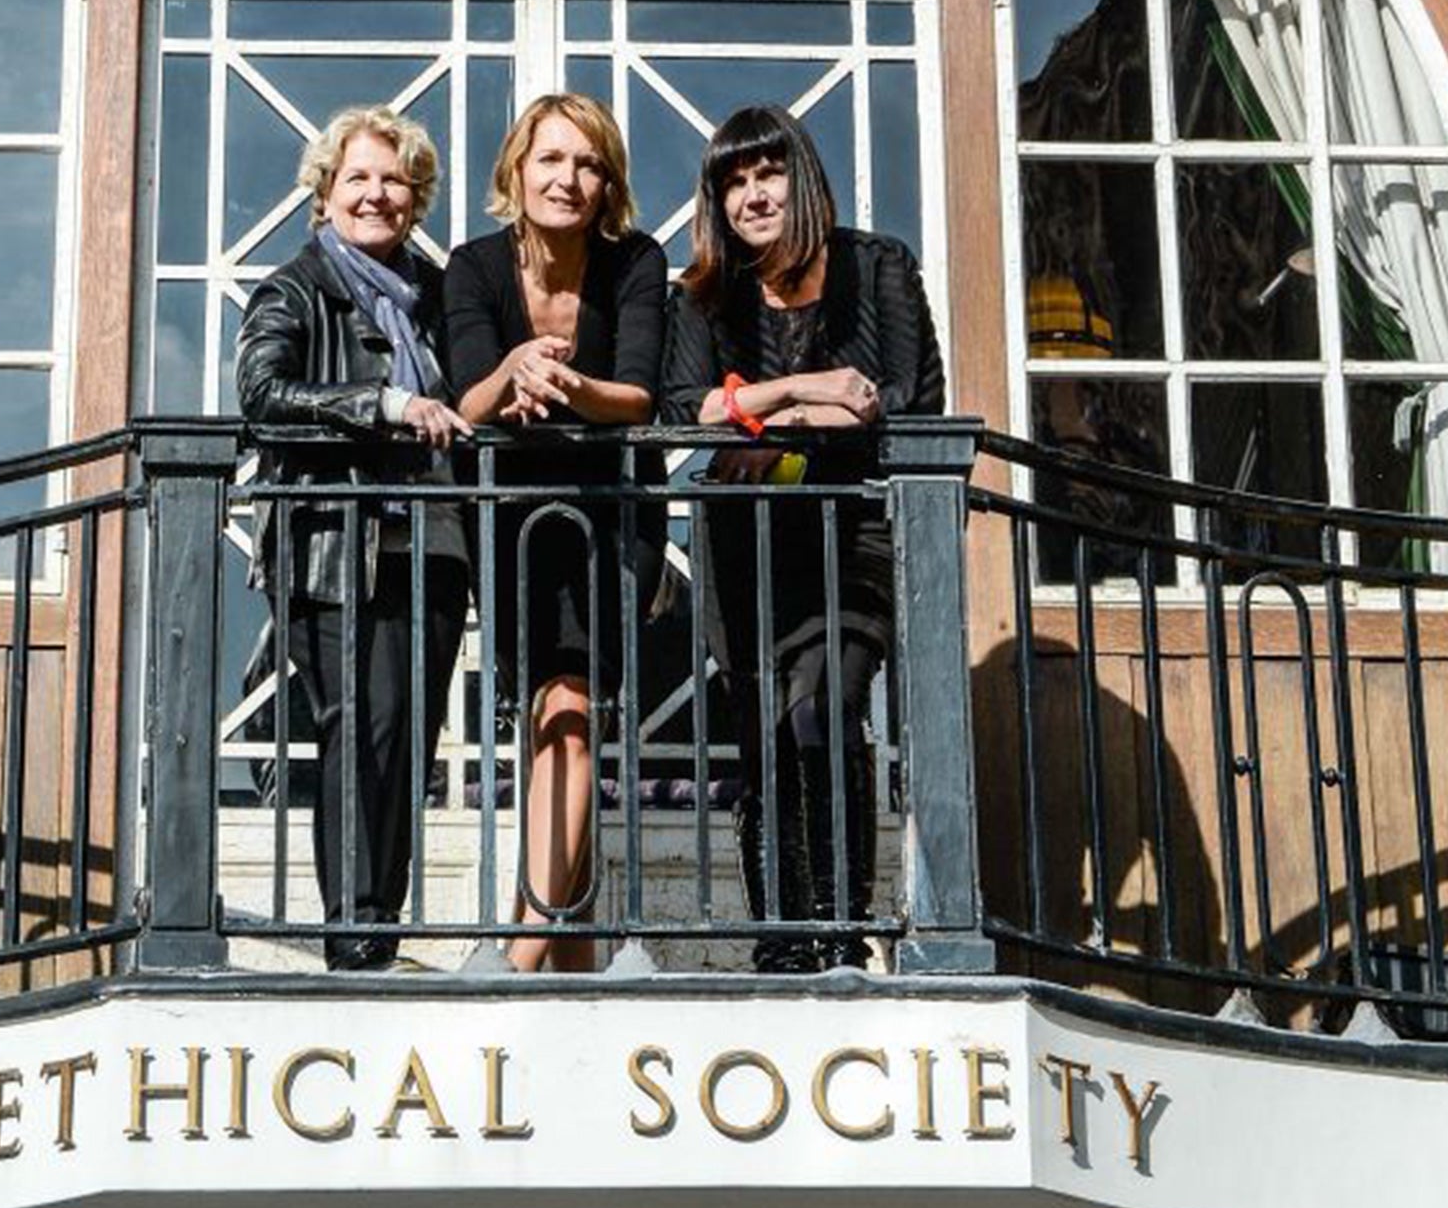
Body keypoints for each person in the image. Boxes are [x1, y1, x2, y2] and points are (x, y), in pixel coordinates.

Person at [659, 104, 945, 972]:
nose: (753, 195)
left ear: (803, 177)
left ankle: (839, 927)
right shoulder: (706, 295)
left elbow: (910, 399)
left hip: (849, 532)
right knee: (763, 734)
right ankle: (780, 938)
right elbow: (683, 410)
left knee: (824, 706)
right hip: (741, 545)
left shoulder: (876, 265)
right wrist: (808, 395)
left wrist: (765, 419)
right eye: (734, 182)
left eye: (767, 173)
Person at [235, 105, 471, 972]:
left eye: (394, 180)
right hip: (336, 544)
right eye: (358, 178)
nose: (376, 195)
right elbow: (262, 396)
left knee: (409, 736)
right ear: (325, 192)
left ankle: (383, 921)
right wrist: (382, 407)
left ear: (417, 199)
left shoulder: (437, 297)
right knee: (360, 727)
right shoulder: (295, 288)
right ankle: (356, 932)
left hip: (432, 546)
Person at [444, 93, 666, 973]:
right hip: (514, 524)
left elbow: (640, 394)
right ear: (517, 171)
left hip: (610, 520)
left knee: (571, 716)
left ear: (606, 181)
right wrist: (515, 366)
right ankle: (572, 956)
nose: (567, 178)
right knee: (548, 719)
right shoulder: (472, 266)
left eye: (587, 163)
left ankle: (521, 947)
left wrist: (563, 387)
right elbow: (468, 399)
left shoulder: (636, 262)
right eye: (551, 160)